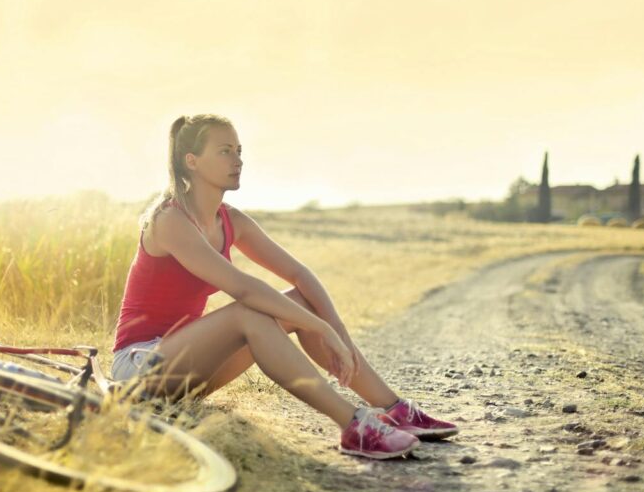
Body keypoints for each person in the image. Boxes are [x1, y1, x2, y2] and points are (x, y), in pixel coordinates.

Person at [111, 114, 458, 460]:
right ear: (192, 161)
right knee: (250, 314)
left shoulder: (230, 220)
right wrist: (320, 327)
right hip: (138, 366)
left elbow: (300, 274)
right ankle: (353, 426)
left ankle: (393, 408)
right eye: (225, 152)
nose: (238, 161)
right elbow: (244, 289)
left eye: (239, 151)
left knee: (302, 302)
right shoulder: (170, 220)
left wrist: (336, 331)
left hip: (189, 367)